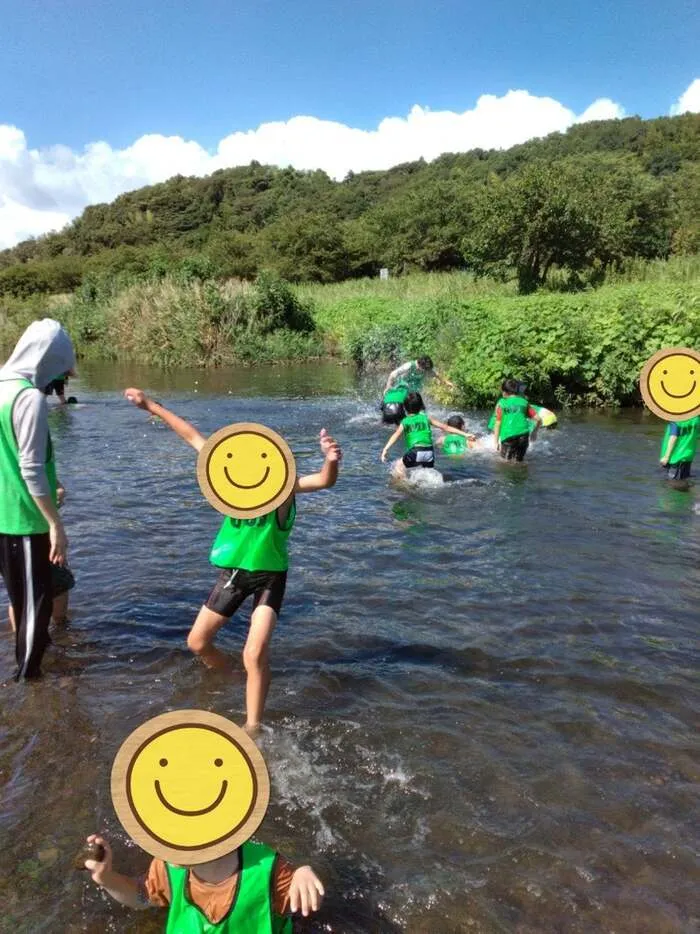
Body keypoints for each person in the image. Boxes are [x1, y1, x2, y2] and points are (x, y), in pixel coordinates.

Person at [124, 388, 342, 734]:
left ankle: (252, 726)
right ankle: (227, 676)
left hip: (270, 579)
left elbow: (323, 480)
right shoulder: (235, 489)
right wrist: (150, 405)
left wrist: (331, 458)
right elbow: (194, 437)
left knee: (254, 653)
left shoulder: (285, 491)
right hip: (234, 575)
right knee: (197, 643)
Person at [0, 319, 75, 679]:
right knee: (35, 609)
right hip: (24, 520)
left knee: (21, 600)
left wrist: (53, 478)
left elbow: (13, 453)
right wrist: (55, 524)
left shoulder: (2, 386)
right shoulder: (28, 397)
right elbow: (29, 468)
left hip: (4, 514)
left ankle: (29, 673)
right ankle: (28, 682)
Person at [83, 832, 324, 930]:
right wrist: (108, 879)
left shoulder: (268, 871)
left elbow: (308, 902)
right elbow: (142, 895)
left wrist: (303, 872)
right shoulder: (168, 866)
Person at [381, 391, 474, 479]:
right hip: (429, 453)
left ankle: (405, 487)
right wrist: (465, 434)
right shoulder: (426, 418)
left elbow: (396, 435)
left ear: (404, 408)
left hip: (416, 451)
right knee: (426, 473)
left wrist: (386, 449)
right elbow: (445, 427)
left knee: (398, 466)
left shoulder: (405, 421)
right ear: (421, 405)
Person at [380, 355, 455, 425]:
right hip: (403, 387)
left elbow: (436, 374)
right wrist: (388, 386)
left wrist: (446, 382)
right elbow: (393, 374)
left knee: (418, 408)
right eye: (424, 370)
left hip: (414, 390)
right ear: (419, 365)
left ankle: (421, 421)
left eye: (427, 370)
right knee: (401, 404)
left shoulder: (425, 368)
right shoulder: (409, 366)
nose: (426, 372)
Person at [492, 378, 542, 462]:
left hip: (508, 437)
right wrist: (534, 432)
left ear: (504, 392)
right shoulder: (524, 402)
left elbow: (497, 424)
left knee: (505, 462)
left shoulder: (502, 404)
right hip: (524, 436)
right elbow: (539, 419)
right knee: (519, 461)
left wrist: (496, 442)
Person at [659, 416, 699, 482]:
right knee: (684, 481)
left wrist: (666, 457)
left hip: (674, 458)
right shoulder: (697, 419)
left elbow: (673, 437)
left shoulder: (675, 418)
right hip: (688, 457)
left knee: (672, 484)